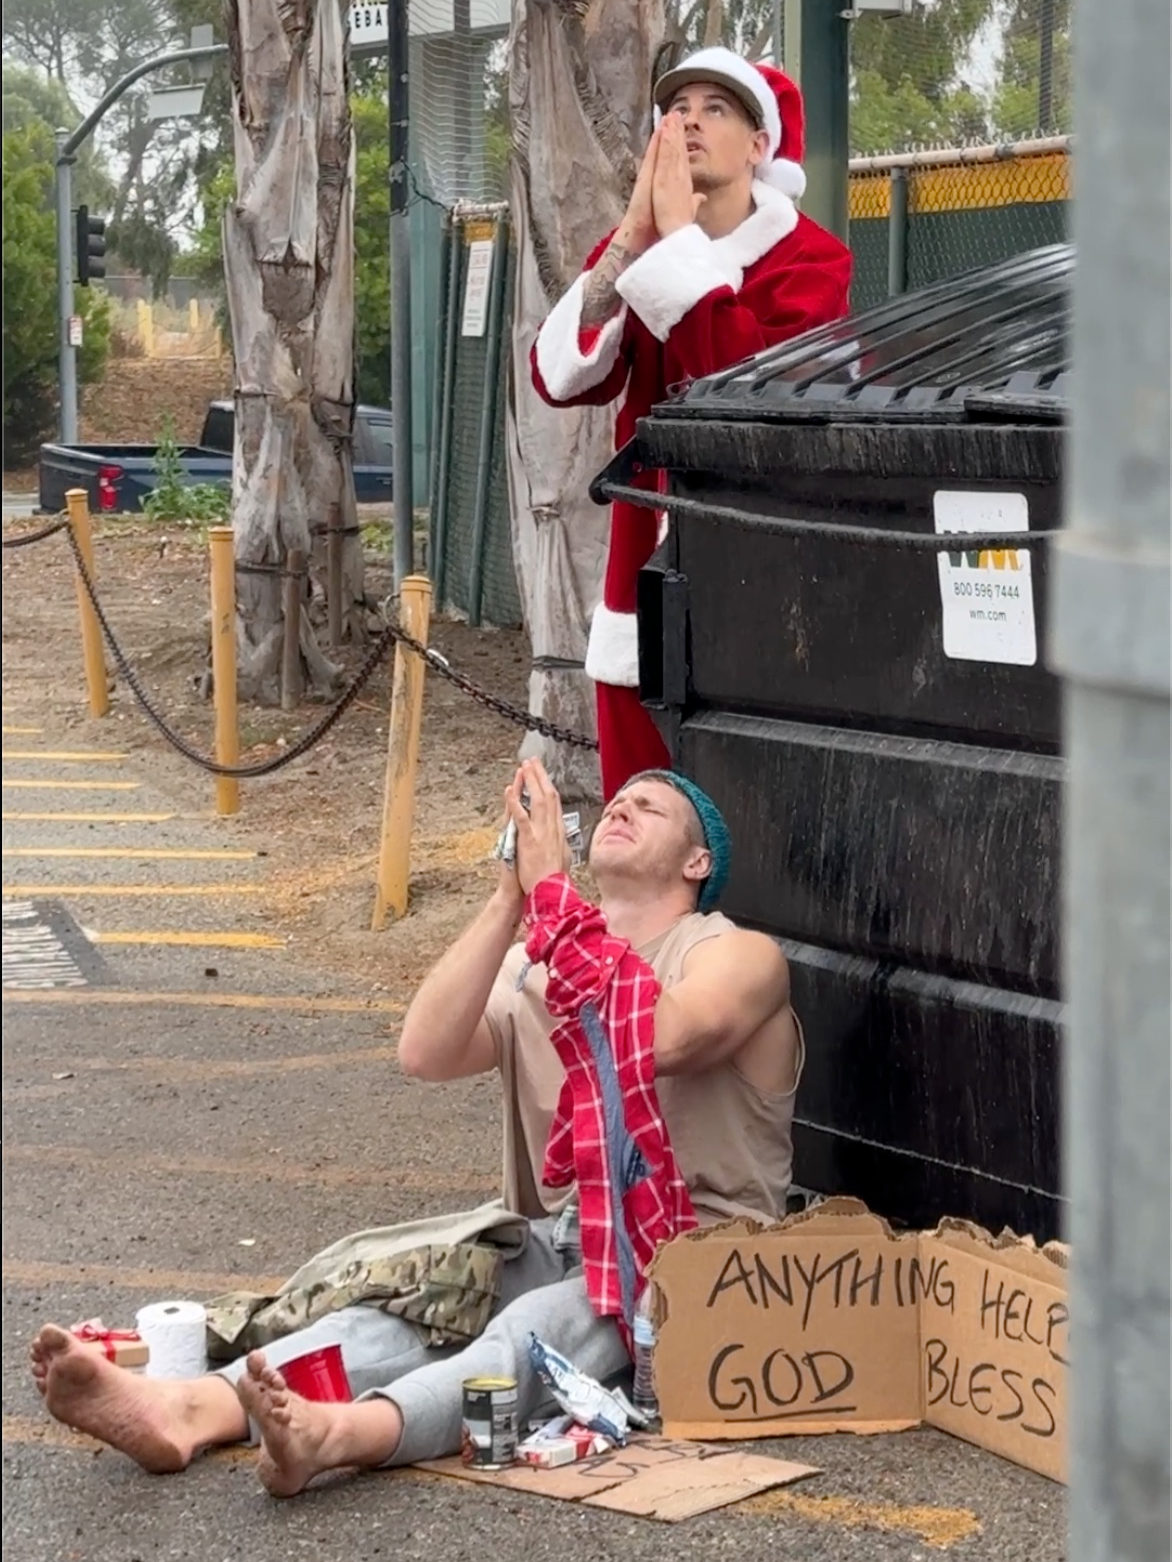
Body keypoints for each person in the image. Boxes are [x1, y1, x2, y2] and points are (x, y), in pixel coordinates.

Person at [30, 758, 803, 1497]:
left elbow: (659, 1037)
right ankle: (189, 1408)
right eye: (617, 802)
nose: (623, 807)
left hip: (702, 1255)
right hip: (570, 1233)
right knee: (416, 1304)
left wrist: (555, 900)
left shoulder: (738, 954)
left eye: (652, 806)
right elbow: (424, 1051)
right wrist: (510, 901)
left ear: (698, 862)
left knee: (533, 1327)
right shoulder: (540, 964)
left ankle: (335, 1436)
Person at [531, 46, 852, 800]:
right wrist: (636, 236)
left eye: (716, 109)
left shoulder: (814, 263)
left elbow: (751, 399)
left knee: (746, 824)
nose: (689, 122)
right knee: (637, 815)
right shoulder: (643, 256)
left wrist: (676, 251)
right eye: (677, 110)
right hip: (638, 582)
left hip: (757, 579)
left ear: (760, 144)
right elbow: (561, 374)